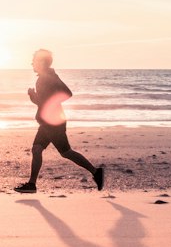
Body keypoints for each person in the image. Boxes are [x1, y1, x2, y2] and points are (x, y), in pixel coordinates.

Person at [15, 49, 104, 194]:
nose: (32, 63)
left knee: (65, 152)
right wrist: (39, 99)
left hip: (53, 123)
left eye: (34, 60)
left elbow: (64, 95)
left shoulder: (47, 78)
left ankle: (96, 172)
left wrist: (35, 97)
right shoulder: (47, 76)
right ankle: (32, 184)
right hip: (48, 122)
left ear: (42, 62)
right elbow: (47, 101)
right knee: (37, 149)